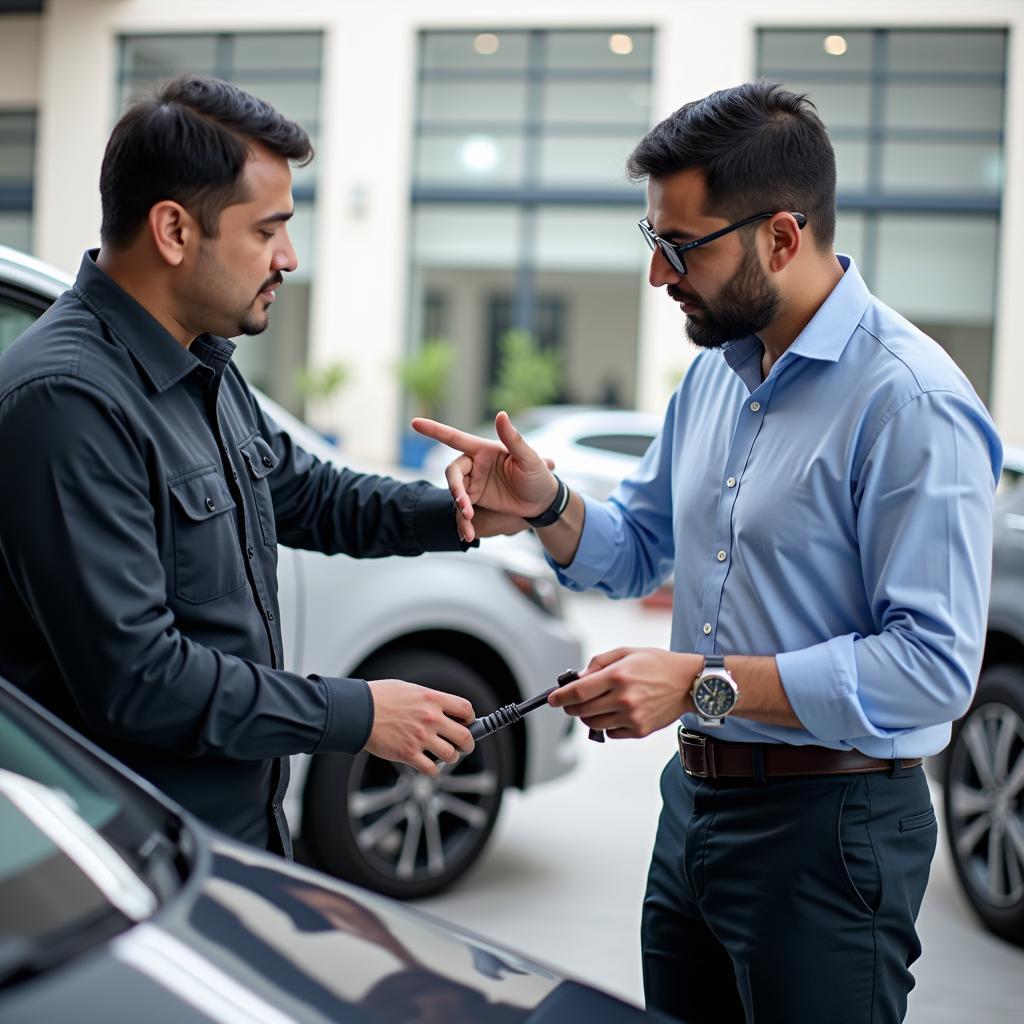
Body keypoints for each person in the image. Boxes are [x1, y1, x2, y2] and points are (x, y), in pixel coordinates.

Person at [413, 81, 1002, 1023]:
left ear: (781, 237)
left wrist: (698, 683)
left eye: (681, 248)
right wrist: (547, 503)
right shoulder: (716, 377)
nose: (659, 278)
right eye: (654, 242)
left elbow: (931, 671)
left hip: (833, 831)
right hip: (693, 807)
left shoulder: (911, 404)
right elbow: (637, 549)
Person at [0, 75, 517, 858]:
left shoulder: (200, 362)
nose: (289, 258)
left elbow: (309, 495)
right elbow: (139, 679)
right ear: (174, 230)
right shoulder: (66, 401)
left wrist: (463, 511)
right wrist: (358, 714)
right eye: (267, 230)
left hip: (234, 838)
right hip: (140, 863)